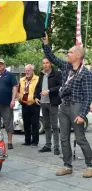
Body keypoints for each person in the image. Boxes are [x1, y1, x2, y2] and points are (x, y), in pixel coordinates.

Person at [42, 33, 92, 178]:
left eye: (69, 52)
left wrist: (82, 114)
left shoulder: (86, 74)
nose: (66, 54)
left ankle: (90, 165)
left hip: (77, 107)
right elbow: (52, 58)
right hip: (63, 106)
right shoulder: (66, 67)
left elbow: (88, 96)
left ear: (77, 55)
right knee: (64, 137)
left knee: (80, 137)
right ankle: (67, 165)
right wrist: (46, 43)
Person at [34, 58, 62, 155]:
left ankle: (57, 147)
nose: (45, 65)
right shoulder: (41, 74)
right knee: (46, 126)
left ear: (50, 63)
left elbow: (60, 86)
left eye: (47, 63)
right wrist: (36, 97)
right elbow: (38, 87)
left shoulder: (57, 73)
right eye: (43, 63)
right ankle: (48, 145)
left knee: (54, 126)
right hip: (43, 103)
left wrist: (49, 91)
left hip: (53, 102)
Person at [18, 64, 40, 147]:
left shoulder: (37, 79)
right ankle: (27, 141)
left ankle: (35, 141)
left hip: (34, 103)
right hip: (24, 103)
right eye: (26, 70)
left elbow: (39, 90)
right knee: (26, 123)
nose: (27, 72)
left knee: (34, 123)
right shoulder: (21, 80)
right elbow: (19, 90)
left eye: (29, 70)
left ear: (32, 71)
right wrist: (19, 98)